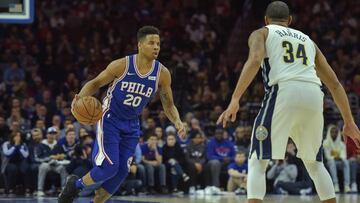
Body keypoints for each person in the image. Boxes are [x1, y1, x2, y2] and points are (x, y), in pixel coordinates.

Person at [216, 1, 360, 203]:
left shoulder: (262, 33)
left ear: (266, 20)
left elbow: (255, 60)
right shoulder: (308, 41)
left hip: (283, 91)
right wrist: (349, 121)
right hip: (313, 94)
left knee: (258, 160)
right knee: (315, 164)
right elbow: (335, 84)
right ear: (289, 21)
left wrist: (235, 98)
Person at [58, 25, 186, 203]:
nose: (156, 47)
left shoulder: (162, 74)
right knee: (110, 167)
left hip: (132, 123)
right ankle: (75, 185)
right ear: (140, 45)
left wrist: (178, 121)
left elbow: (168, 104)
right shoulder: (122, 65)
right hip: (110, 118)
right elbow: (95, 83)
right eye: (151, 43)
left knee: (122, 171)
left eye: (158, 43)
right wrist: (79, 98)